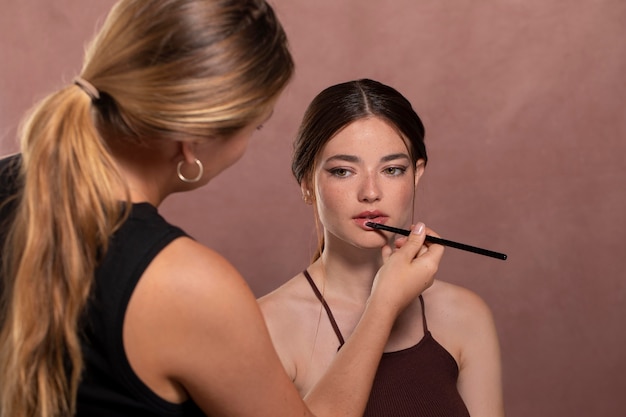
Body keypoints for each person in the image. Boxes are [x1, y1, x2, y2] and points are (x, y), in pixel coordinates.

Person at [0, 3, 444, 417]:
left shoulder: (11, 186)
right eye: (256, 124)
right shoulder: (186, 283)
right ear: (194, 140)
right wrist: (383, 304)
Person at [259, 79, 505, 417]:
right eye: (343, 171)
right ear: (306, 184)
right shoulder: (265, 328)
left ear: (416, 175)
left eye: (392, 170)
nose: (371, 192)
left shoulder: (465, 315)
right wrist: (383, 304)